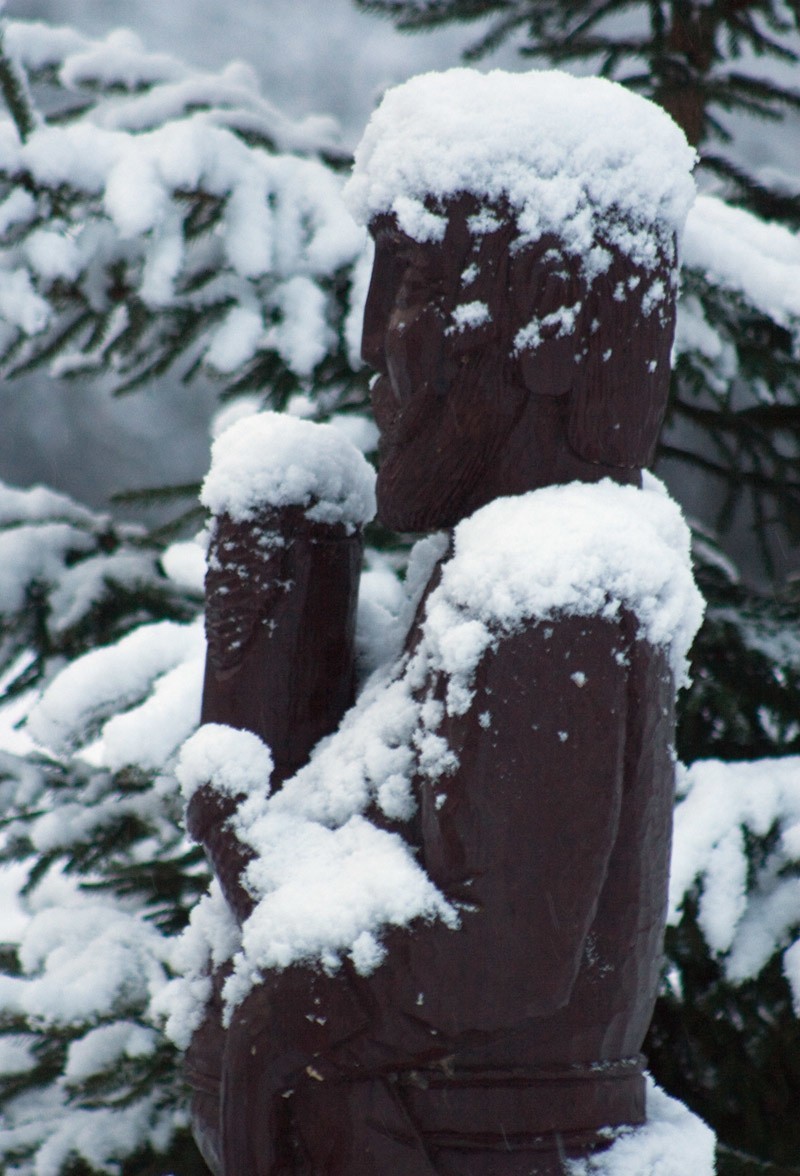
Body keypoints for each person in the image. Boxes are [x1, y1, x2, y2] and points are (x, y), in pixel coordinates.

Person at [182, 70, 702, 1175]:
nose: (374, 340)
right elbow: (384, 852)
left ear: (548, 323)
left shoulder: (545, 589)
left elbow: (498, 960)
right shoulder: (489, 573)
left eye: (411, 282)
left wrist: (266, 937)